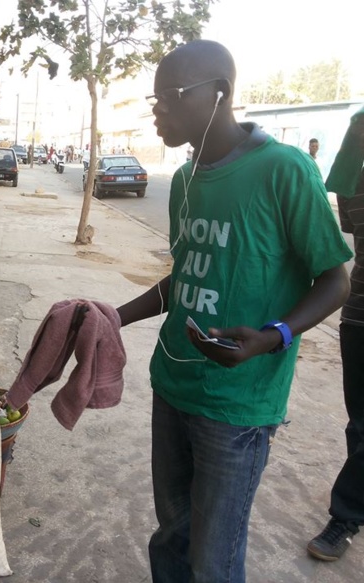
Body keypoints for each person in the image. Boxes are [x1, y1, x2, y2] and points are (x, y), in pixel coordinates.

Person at [115, 40, 352, 582]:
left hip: (238, 405)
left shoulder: (284, 169)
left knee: (214, 557)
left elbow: (335, 279)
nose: (158, 110)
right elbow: (187, 279)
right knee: (172, 536)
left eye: (169, 96)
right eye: (153, 99)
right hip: (172, 384)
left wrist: (272, 337)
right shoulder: (183, 181)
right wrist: (114, 316)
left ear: (218, 93)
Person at [307, 106, 364, 562]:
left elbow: (349, 224)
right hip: (360, 314)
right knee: (360, 423)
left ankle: (347, 512)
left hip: (357, 311)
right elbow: (348, 225)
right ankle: (353, 510)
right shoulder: (357, 149)